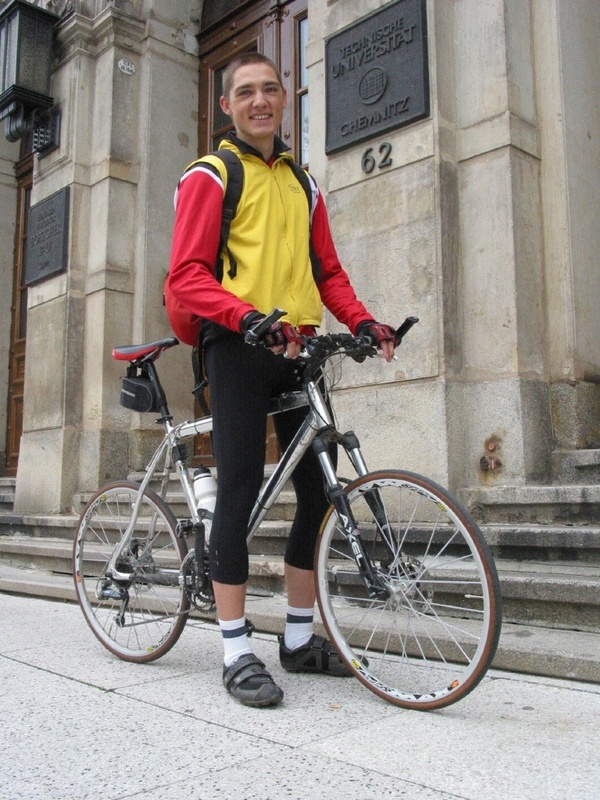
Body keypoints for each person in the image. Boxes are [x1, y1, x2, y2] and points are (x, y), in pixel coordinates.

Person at [166, 52, 396, 707]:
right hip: (237, 344)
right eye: (246, 91)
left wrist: (362, 322)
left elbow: (328, 271)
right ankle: (236, 650)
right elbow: (186, 274)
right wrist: (244, 319)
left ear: (285, 96)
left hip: (296, 345)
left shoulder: (305, 183)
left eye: (270, 88)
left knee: (319, 492)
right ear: (226, 105)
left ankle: (298, 640)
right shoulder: (211, 175)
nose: (260, 100)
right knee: (240, 486)